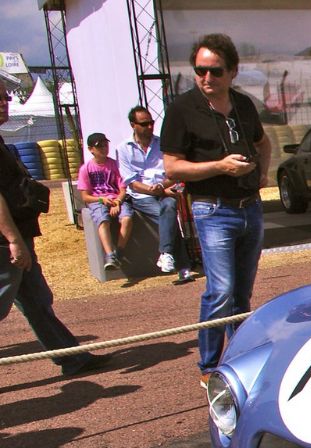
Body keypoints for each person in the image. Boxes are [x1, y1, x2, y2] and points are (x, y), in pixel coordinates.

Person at [162, 33, 271, 385]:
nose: (206, 78)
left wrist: (263, 173)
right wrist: (220, 167)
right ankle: (209, 366)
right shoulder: (182, 109)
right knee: (220, 290)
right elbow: (173, 168)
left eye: (215, 71)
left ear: (232, 72)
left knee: (243, 292)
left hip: (249, 207)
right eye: (200, 70)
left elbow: (262, 141)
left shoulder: (242, 105)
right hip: (212, 210)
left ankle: (239, 357)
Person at [0, 89, 110, 377]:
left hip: (17, 237)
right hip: (5, 242)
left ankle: (72, 358)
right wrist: (13, 241)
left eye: (5, 98)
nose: (4, 104)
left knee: (37, 300)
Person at [118, 105, 196, 283]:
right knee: (167, 216)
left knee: (168, 207)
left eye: (151, 123)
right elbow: (132, 183)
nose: (149, 127)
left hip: (164, 190)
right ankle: (180, 264)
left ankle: (167, 254)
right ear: (133, 125)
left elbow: (173, 173)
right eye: (144, 124)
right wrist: (153, 189)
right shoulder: (123, 149)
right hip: (141, 196)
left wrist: (160, 187)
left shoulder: (162, 145)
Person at [77, 133, 129, 273]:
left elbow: (122, 188)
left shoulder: (114, 165)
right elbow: (85, 197)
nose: (104, 148)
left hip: (116, 199)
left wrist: (118, 201)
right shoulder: (85, 169)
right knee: (103, 220)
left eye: (105, 145)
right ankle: (109, 255)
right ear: (90, 149)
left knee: (127, 217)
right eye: (99, 146)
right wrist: (101, 200)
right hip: (97, 200)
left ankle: (119, 252)